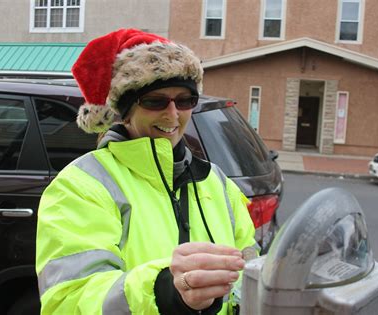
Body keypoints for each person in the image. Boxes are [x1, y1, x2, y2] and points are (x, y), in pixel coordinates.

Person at [35, 28, 258, 315]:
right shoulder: (80, 186)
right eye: (155, 101)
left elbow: (249, 263)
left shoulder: (215, 180)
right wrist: (163, 291)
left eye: (185, 99)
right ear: (125, 112)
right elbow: (67, 301)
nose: (173, 114)